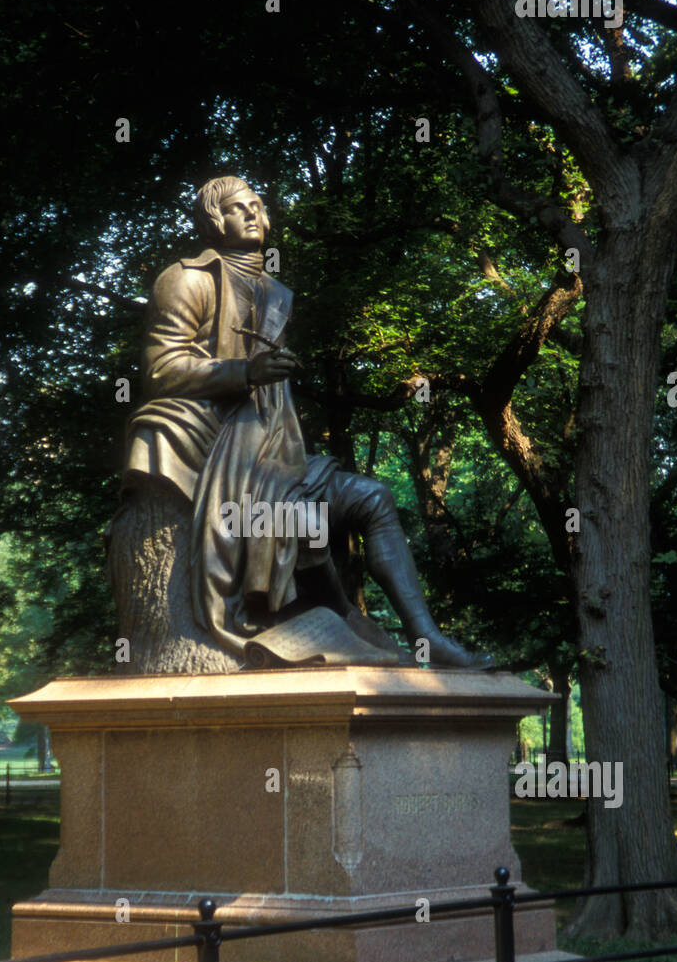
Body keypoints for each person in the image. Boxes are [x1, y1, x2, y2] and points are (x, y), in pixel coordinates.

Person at [122, 175, 492, 668]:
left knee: (374, 498)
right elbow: (160, 369)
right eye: (238, 208)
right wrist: (243, 372)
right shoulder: (188, 279)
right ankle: (303, 610)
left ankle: (429, 638)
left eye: (258, 204)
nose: (253, 212)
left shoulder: (274, 291)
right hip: (216, 447)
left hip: (273, 453)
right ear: (214, 219)